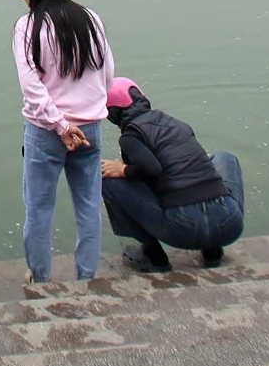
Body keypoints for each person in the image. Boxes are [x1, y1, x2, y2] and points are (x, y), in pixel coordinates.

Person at [10, 0, 115, 282]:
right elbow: (107, 74)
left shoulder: (28, 27)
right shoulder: (91, 19)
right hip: (90, 129)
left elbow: (32, 88)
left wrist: (60, 125)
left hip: (46, 133)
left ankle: (40, 278)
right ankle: (87, 276)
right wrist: (82, 117)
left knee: (39, 209)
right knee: (88, 207)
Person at [100, 78, 244, 270]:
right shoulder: (177, 124)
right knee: (225, 157)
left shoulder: (131, 136)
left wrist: (124, 169)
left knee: (107, 176)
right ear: (142, 97)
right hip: (229, 224)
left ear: (111, 114)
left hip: (185, 230)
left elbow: (152, 170)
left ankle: (153, 256)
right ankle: (212, 251)